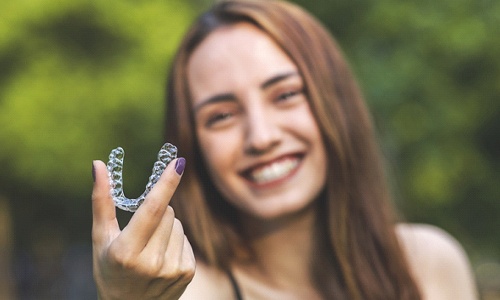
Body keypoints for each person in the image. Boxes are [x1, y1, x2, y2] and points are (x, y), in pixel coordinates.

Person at [91, 0, 478, 299]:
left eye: (287, 94)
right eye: (222, 115)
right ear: (192, 144)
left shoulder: (429, 264)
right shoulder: (185, 293)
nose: (261, 137)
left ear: (337, 101)